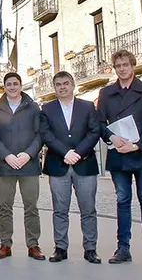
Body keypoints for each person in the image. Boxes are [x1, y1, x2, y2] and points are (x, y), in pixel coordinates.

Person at [97, 50, 142, 266]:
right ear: (114, 68)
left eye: (125, 65)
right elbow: (99, 123)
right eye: (118, 66)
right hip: (119, 155)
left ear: (133, 65)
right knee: (122, 201)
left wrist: (136, 145)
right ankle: (123, 248)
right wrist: (112, 137)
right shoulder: (106, 93)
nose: (122, 69)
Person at [40, 72, 101, 264]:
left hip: (85, 164)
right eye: (58, 84)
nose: (62, 87)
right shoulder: (47, 108)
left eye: (66, 83)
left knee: (88, 209)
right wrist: (65, 153)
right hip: (58, 165)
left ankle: (90, 249)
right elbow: (46, 134)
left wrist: (79, 152)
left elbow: (94, 131)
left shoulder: (88, 106)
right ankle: (60, 248)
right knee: (59, 210)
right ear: (54, 87)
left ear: (73, 85)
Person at [0, 72, 45, 261]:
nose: (12, 87)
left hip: (29, 165)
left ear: (20, 86)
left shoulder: (33, 107)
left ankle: (33, 245)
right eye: (8, 84)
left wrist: (28, 154)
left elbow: (40, 134)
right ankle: (5, 244)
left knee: (31, 207)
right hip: (5, 166)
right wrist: (7, 156)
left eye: (15, 84)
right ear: (4, 87)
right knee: (5, 207)